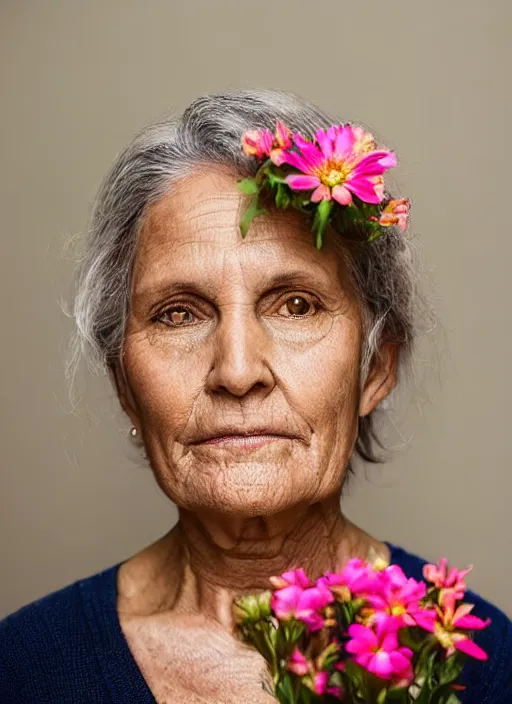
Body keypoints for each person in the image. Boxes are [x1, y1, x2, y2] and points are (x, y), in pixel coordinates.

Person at [0, 89, 510, 703]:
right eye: (178, 314)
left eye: (296, 304)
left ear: (375, 366)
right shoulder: (23, 671)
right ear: (125, 387)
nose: (238, 372)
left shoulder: (485, 671)